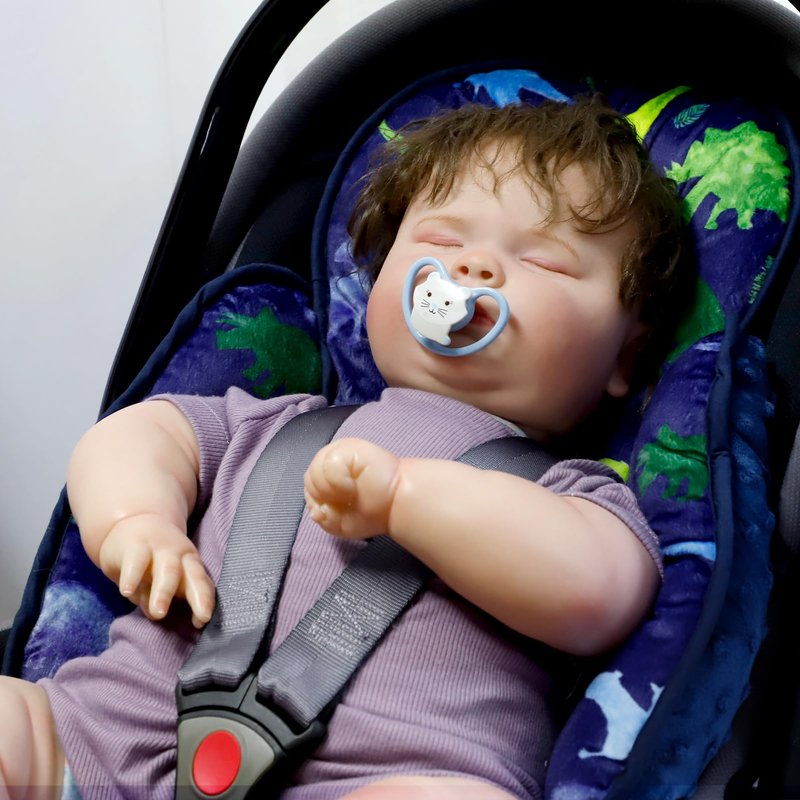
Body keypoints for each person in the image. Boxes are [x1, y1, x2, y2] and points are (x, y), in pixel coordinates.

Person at [0, 96, 687, 800]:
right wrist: (136, 519)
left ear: (626, 356)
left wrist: (408, 499)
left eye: (543, 261)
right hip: (107, 734)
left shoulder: (581, 496)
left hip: (383, 777)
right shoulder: (273, 421)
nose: (473, 269)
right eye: (442, 240)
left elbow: (598, 595)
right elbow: (137, 432)